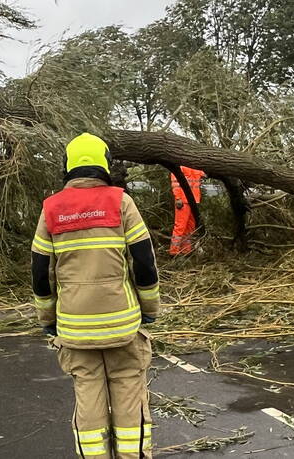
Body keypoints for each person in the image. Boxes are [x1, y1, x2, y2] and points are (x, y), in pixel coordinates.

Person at [31, 133, 160, 459]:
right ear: (104, 164)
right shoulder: (121, 201)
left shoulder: (51, 209)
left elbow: (39, 272)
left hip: (75, 329)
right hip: (122, 326)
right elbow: (144, 261)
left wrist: (48, 320)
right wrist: (149, 310)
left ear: (68, 165)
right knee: (129, 391)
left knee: (87, 395)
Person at [169, 166, 204, 256]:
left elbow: (204, 174)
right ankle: (174, 252)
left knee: (190, 227)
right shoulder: (179, 165)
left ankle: (186, 250)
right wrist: (178, 198)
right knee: (180, 226)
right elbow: (175, 182)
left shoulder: (196, 165)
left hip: (194, 200)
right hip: (183, 200)